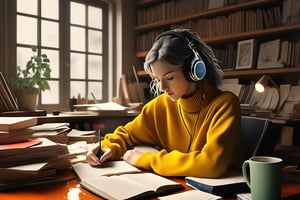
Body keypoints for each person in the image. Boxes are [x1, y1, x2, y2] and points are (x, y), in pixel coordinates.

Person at [86, 29, 244, 178]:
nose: (162, 88)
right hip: (180, 187)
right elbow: (127, 135)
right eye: (156, 80)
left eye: (169, 78)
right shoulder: (160, 105)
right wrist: (107, 146)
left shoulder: (225, 104)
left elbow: (211, 164)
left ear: (194, 70)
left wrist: (147, 160)